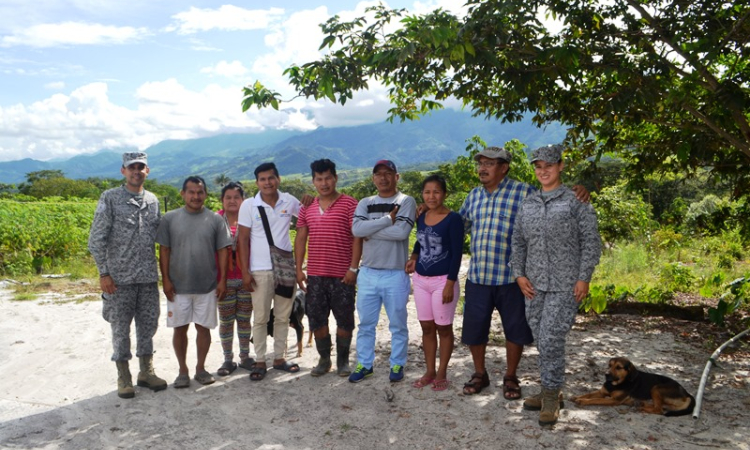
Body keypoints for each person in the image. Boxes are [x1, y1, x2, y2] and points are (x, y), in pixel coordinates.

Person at [459, 146, 589, 400]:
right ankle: (479, 373)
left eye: (490, 164)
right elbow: (456, 228)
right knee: (475, 329)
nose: (483, 168)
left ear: (504, 168)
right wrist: (428, 212)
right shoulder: (472, 196)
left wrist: (579, 191)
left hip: (512, 279)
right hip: (478, 275)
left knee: (515, 330)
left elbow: (551, 194)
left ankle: (511, 376)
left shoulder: (524, 192)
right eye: (480, 163)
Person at [511, 145, 601, 426]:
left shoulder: (576, 200)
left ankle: (551, 395)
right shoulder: (529, 203)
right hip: (534, 284)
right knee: (542, 339)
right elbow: (518, 241)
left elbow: (591, 241)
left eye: (549, 165)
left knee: (551, 337)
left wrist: (584, 276)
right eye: (538, 166)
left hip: (565, 284)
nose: (543, 170)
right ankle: (551, 388)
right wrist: (519, 274)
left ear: (560, 166)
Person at [88, 151, 167, 399]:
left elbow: (161, 239)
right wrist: (104, 273)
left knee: (148, 327)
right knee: (120, 329)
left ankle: (146, 371)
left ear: (147, 171)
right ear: (123, 171)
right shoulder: (110, 198)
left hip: (146, 278)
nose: (136, 171)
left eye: (141, 167)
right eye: (131, 167)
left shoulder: (153, 201)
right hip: (119, 280)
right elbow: (96, 239)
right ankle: (124, 376)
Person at [156, 176, 232, 388]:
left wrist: (222, 280)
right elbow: (164, 250)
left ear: (205, 194)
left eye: (200, 192)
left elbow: (223, 251)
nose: (196, 196)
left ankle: (200, 368)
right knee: (179, 329)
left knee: (203, 328)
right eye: (191, 192)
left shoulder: (216, 220)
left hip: (207, 285)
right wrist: (166, 280)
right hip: (178, 286)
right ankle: (182, 371)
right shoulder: (169, 219)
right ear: (182, 194)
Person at [349, 160, 417, 383]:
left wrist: (369, 230)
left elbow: (401, 233)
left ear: (397, 177)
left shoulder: (406, 201)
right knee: (366, 324)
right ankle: (364, 364)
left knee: (398, 323)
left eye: (388, 173)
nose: (383, 178)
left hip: (395, 273)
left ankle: (397, 363)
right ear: (373, 178)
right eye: (379, 174)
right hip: (368, 272)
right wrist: (388, 219)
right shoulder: (365, 202)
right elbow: (356, 230)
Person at [295, 159, 362, 377]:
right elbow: (301, 238)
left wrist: (353, 268)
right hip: (315, 275)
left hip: (343, 276)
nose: (324, 183)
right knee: (317, 319)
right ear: (313, 181)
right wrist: (298, 269)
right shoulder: (307, 208)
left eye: (328, 178)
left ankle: (343, 361)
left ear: (335, 178)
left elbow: (357, 238)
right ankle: (324, 360)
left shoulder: (351, 204)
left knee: (345, 319)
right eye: (319, 179)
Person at [237, 162, 302, 381]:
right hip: (259, 271)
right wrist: (245, 272)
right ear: (257, 183)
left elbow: (307, 218)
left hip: (285, 270)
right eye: (262, 179)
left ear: (278, 179)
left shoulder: (289, 201)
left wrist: (310, 202)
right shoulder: (249, 205)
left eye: (271, 178)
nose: (267, 182)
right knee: (261, 318)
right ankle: (261, 360)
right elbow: (242, 239)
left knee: (283, 316)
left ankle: (280, 359)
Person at [405, 174, 464, 392]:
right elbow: (421, 243)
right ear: (422, 194)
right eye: (427, 192)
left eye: (436, 191)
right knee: (427, 327)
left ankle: (442, 372)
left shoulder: (453, 219)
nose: (432, 196)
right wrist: (413, 257)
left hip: (443, 281)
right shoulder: (421, 216)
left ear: (444, 194)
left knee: (444, 328)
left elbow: (457, 254)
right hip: (421, 280)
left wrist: (450, 283)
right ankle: (429, 370)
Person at [215, 182, 255, 376]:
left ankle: (245, 356)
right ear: (222, 200)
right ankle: (228, 359)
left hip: (247, 278)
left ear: (243, 200)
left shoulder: (250, 219)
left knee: (245, 319)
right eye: (228, 197)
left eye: (236, 197)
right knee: (226, 320)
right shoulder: (215, 221)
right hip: (223, 280)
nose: (232, 201)